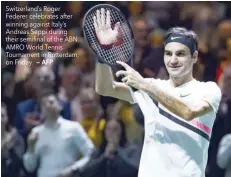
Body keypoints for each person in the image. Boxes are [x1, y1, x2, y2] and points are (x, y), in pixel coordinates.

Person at [93, 9, 222, 177]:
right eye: (168, 53)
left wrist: (145, 86)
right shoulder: (152, 85)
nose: (173, 60)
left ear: (194, 57)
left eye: (180, 54)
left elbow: (188, 112)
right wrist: (103, 53)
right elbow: (106, 88)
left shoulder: (209, 89)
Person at [23, 90, 94, 177]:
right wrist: (30, 147)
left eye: (51, 102)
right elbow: (30, 167)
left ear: (60, 106)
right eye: (43, 104)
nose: (47, 106)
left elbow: (91, 153)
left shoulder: (73, 127)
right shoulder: (36, 132)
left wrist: (74, 168)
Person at [1, 103, 26, 177]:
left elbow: (19, 161)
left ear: (7, 118)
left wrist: (11, 148)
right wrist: (4, 143)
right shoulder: (8, 140)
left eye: (2, 116)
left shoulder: (15, 138)